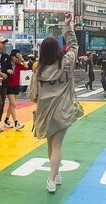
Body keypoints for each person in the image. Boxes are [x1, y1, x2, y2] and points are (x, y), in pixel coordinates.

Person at [29, 12, 77, 193]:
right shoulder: (66, 63)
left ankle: (55, 175)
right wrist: (67, 26)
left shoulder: (38, 70)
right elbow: (73, 46)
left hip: (45, 112)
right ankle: (52, 178)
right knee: (58, 145)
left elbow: (33, 96)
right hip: (63, 111)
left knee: (51, 145)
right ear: (58, 49)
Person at [3, 49, 28, 131]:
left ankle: (6, 120)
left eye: (18, 57)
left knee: (11, 105)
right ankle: (16, 122)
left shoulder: (18, 64)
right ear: (12, 56)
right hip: (9, 86)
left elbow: (26, 67)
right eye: (16, 57)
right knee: (13, 104)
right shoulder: (7, 64)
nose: (17, 58)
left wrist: (22, 59)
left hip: (16, 86)